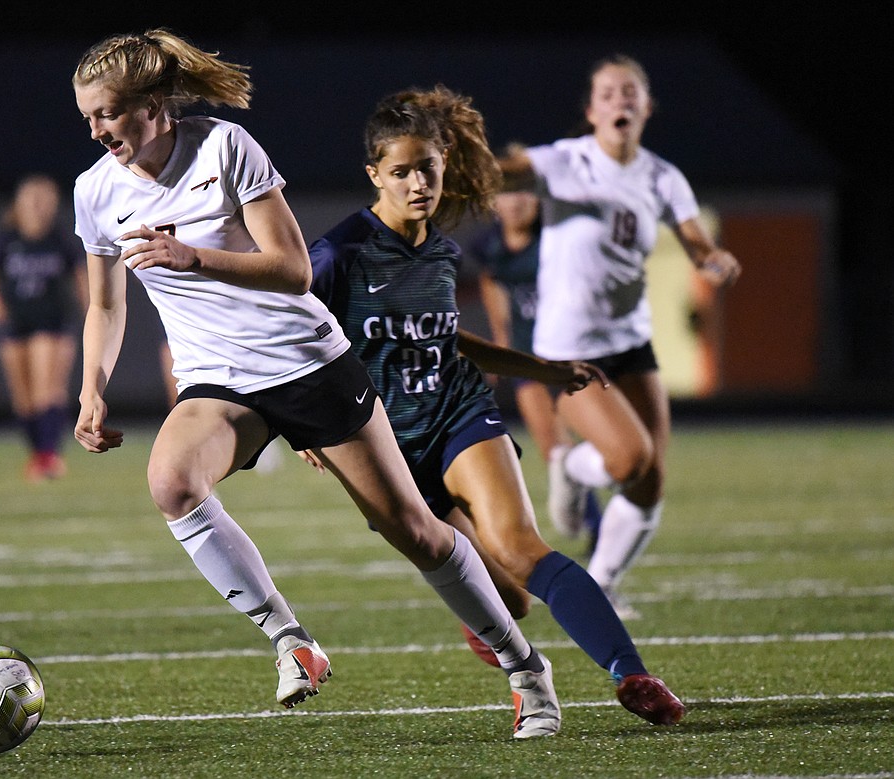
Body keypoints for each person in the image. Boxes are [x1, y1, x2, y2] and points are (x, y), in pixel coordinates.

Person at [69, 29, 560, 737]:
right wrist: (91, 389)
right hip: (218, 380)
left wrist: (193, 257)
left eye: (108, 112)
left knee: (416, 532)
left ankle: (526, 671)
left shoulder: (224, 147)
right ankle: (291, 640)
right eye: (87, 115)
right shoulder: (95, 190)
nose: (96, 129)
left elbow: (295, 270)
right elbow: (106, 303)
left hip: (307, 363)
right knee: (172, 482)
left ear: (154, 104)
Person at [305, 84, 686, 727]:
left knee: (519, 546)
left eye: (427, 167)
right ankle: (495, 632)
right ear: (375, 174)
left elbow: (445, 338)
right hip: (381, 443)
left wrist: (543, 369)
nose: (417, 183)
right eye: (400, 172)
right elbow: (289, 337)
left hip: (457, 412)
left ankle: (634, 675)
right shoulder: (336, 255)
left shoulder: (444, 253)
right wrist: (310, 429)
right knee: (510, 601)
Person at [499, 54, 742, 618]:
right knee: (631, 459)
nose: (620, 101)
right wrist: (461, 158)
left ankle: (602, 584)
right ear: (592, 110)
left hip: (630, 340)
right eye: (608, 93)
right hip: (569, 349)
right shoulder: (565, 162)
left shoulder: (661, 175)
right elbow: (506, 170)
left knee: (650, 480)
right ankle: (573, 465)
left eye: (630, 92)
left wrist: (712, 259)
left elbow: (693, 240)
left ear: (646, 106)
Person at [465, 160, 603, 553]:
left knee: (597, 445)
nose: (515, 202)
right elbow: (492, 281)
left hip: (569, 355)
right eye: (506, 193)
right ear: (493, 201)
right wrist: (501, 337)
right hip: (528, 358)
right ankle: (597, 527)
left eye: (524, 192)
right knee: (554, 450)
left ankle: (602, 516)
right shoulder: (489, 245)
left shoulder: (556, 240)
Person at [0, 174, 88, 482]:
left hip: (52, 322)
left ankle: (50, 456)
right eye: (32, 200)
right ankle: (38, 455)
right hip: (15, 323)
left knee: (47, 390)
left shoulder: (58, 239)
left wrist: (91, 312)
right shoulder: (7, 240)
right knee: (22, 398)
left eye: (44, 200)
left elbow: (81, 276)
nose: (38, 207)